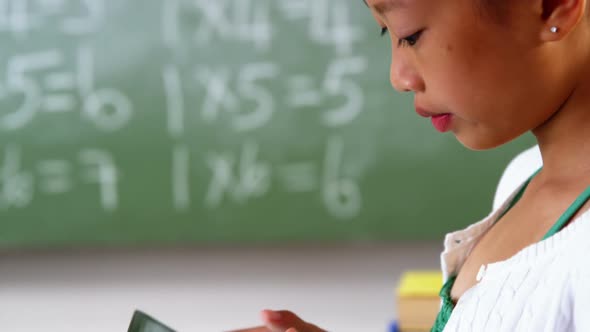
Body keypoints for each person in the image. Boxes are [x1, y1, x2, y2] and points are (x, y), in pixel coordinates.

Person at [232, 0, 590, 330]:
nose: (398, 77)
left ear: (552, 6)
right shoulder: (522, 179)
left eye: (410, 36)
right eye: (387, 34)